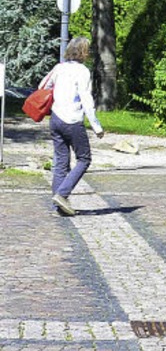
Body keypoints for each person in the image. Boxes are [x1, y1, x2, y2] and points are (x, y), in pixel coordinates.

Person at [39, 37, 104, 216]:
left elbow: (42, 85)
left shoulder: (59, 68)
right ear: (84, 52)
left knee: (60, 163)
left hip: (56, 119)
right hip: (73, 120)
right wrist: (96, 126)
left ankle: (57, 208)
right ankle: (62, 194)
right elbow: (86, 99)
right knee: (84, 159)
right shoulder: (82, 71)